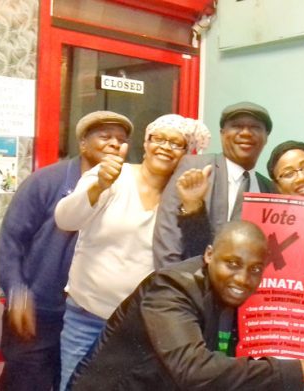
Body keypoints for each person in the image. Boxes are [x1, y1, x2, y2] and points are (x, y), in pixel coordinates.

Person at [69, 221, 304, 390]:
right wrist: (300, 370)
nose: (242, 278)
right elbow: (194, 370)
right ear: (209, 255)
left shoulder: (233, 298)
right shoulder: (170, 288)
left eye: (254, 269)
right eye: (233, 264)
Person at [54, 114, 210, 390]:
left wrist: (192, 206)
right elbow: (65, 220)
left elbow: (193, 258)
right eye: (158, 139)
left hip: (140, 326)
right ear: (146, 143)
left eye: (176, 143)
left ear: (187, 153)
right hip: (87, 317)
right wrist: (99, 185)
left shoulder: (183, 192)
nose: (165, 147)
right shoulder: (112, 174)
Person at [0, 110, 133, 391]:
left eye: (120, 140)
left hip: (89, 317)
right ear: (83, 144)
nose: (113, 144)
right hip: (37, 314)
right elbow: (11, 242)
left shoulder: (128, 189)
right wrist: (16, 293)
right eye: (105, 137)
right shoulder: (44, 181)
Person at [153, 101, 276, 268]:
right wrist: (175, 287)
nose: (246, 133)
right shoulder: (194, 167)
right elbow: (168, 238)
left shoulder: (269, 190)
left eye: (255, 127)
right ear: (222, 133)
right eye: (237, 126)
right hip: (191, 287)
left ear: (266, 137)